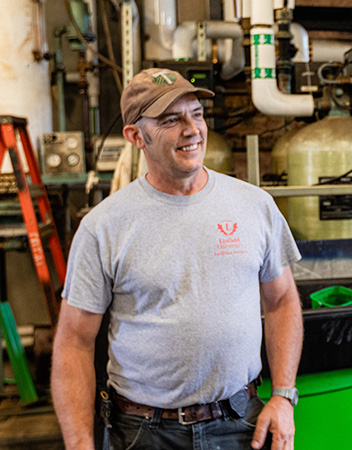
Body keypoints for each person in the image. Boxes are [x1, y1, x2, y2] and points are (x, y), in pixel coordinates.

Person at [51, 67, 303, 450]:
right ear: (137, 136)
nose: (192, 129)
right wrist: (80, 444)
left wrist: (283, 395)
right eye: (171, 120)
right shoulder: (104, 226)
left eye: (197, 114)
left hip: (240, 424)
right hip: (143, 432)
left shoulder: (254, 206)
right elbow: (74, 342)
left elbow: (282, 300)